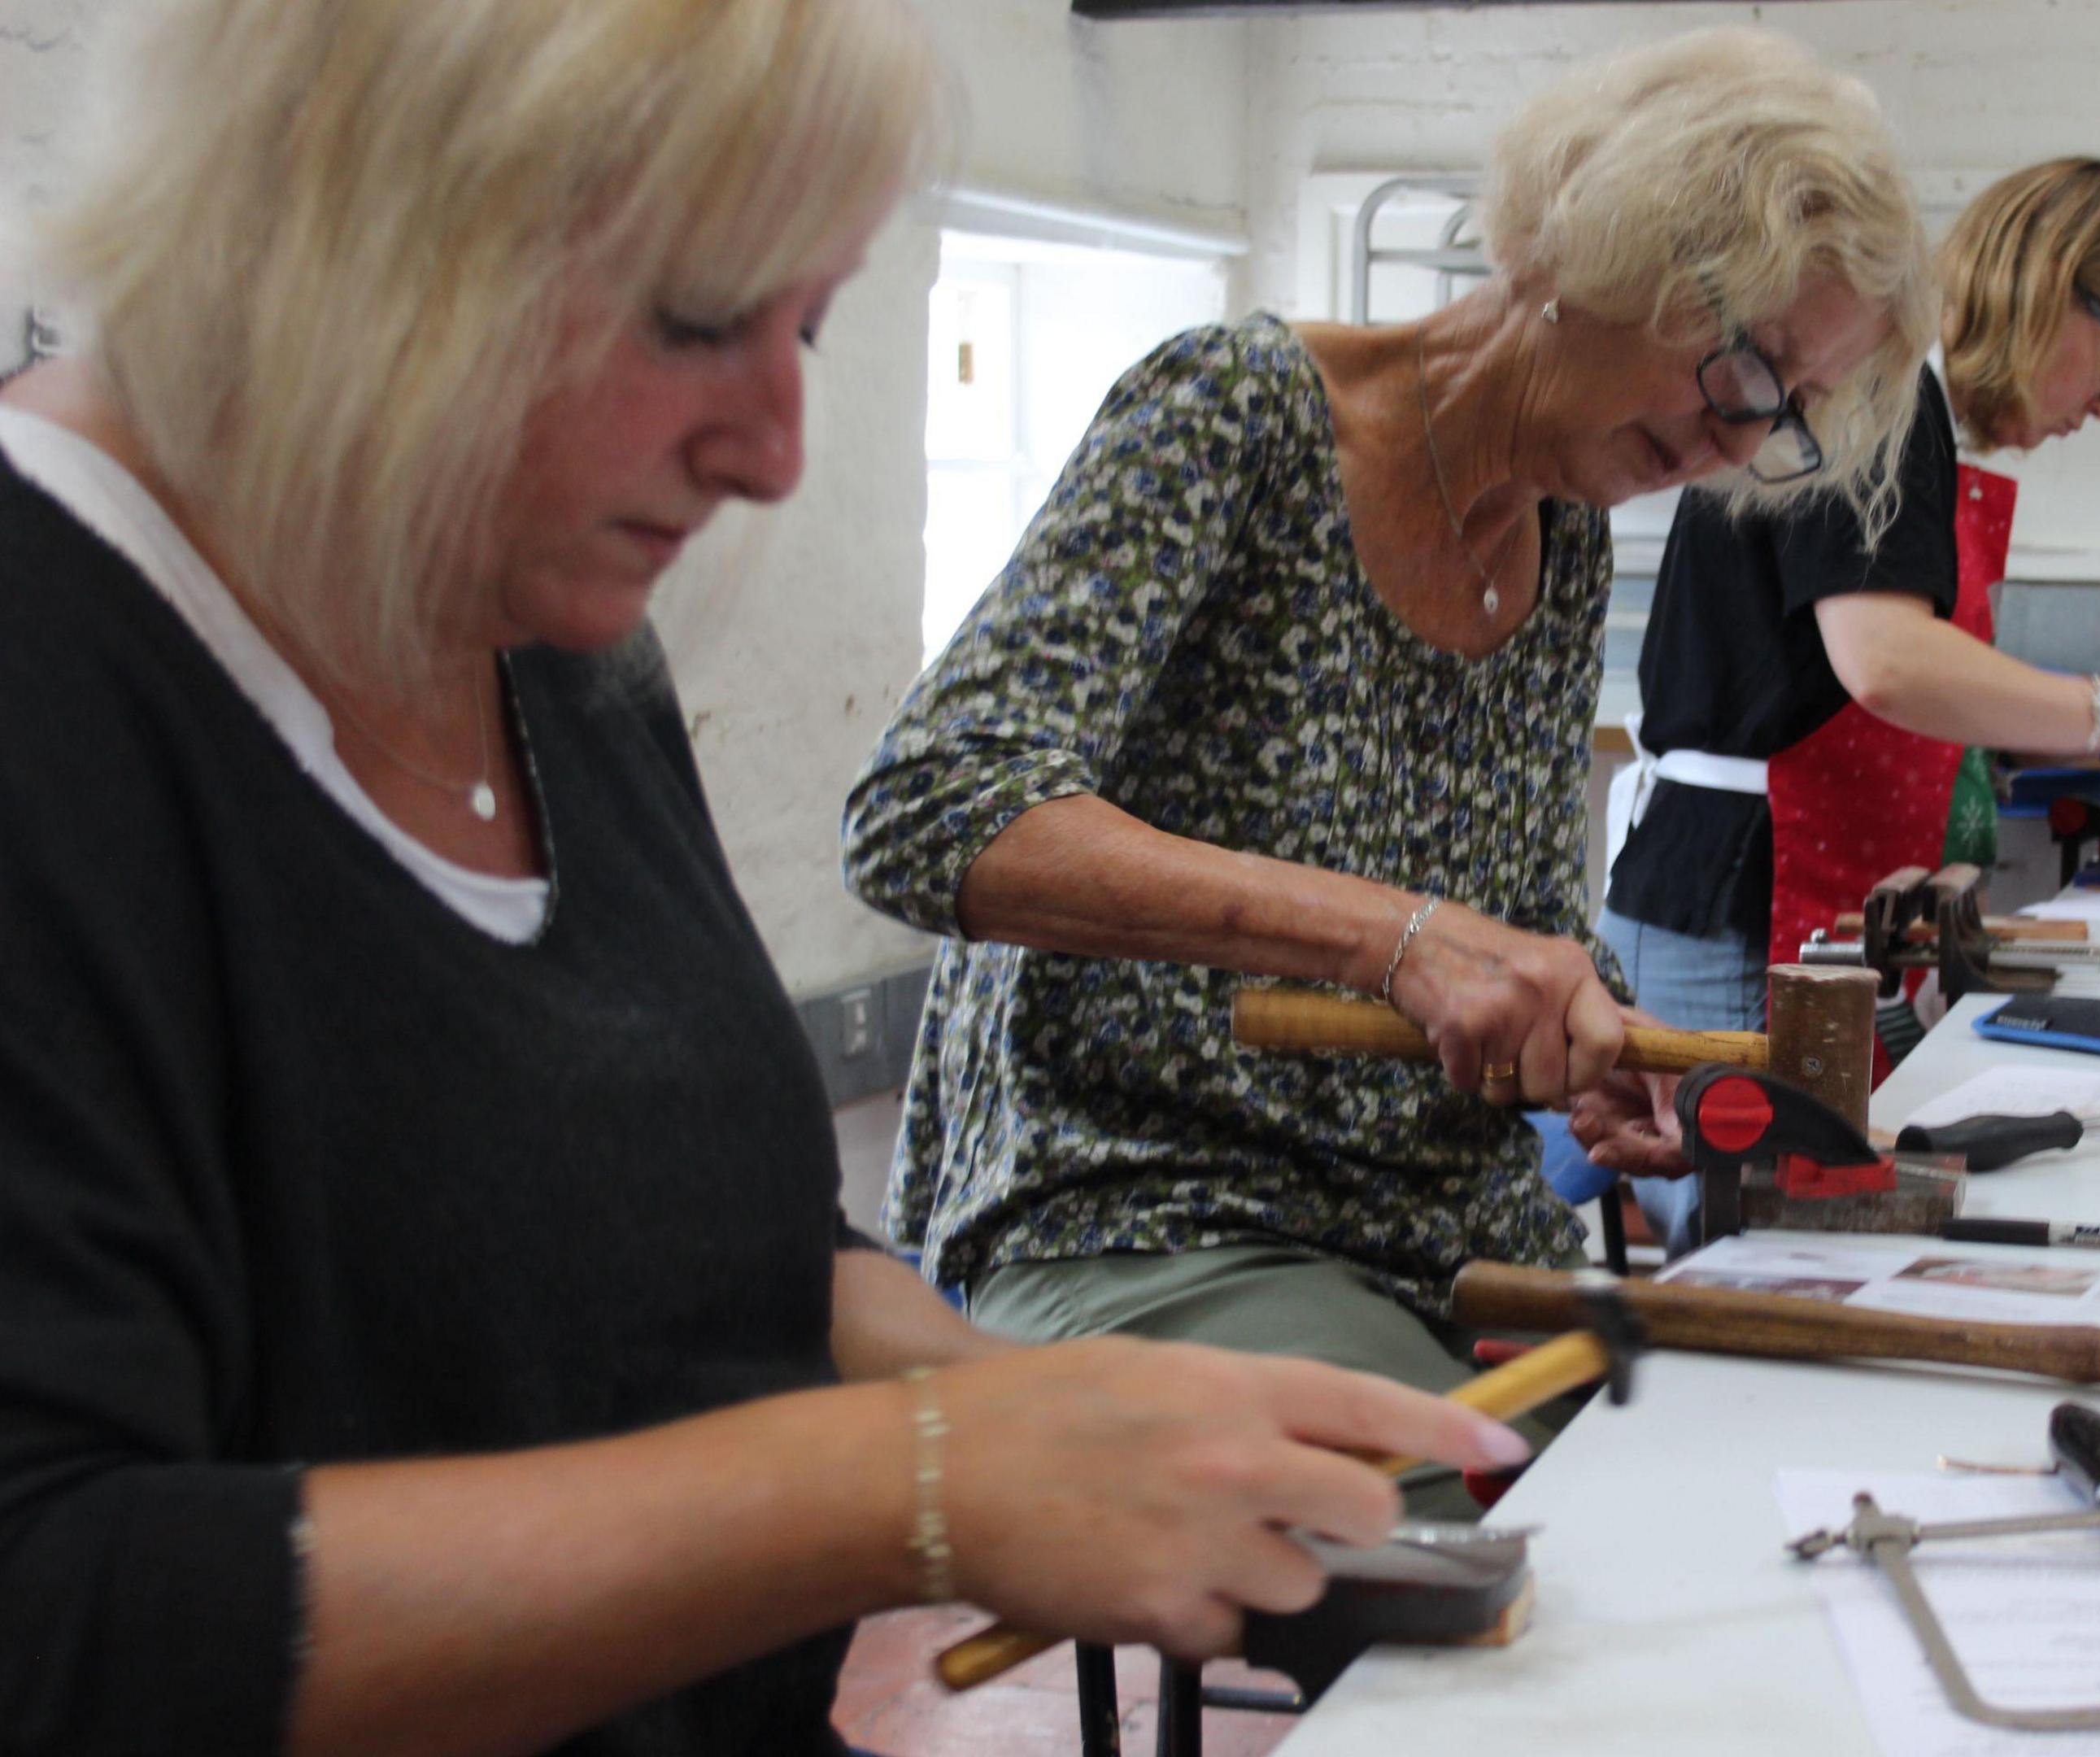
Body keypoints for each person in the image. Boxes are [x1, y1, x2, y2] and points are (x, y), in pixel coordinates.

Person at [0, 4, 1527, 1753]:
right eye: (700, 320)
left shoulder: (523, 616)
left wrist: (1043, 1412)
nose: (777, 452)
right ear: (356, 219)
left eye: (805, 326)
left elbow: (713, 1247)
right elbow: (59, 1606)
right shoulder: (59, 677)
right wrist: (907, 1485)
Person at [840, 27, 1933, 1506]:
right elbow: (925, 813)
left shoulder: (1563, 530)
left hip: (1433, 1225)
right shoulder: (1241, 417)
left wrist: (1570, 1054)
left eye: (1785, 414)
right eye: (1745, 364)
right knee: (1482, 1560)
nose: (1737, 437)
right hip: (1141, 1204)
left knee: (1734, 1512)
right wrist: (1401, 941)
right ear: (1598, 250)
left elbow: (1505, 918)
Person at [1597, 159, 2100, 1249]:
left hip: (1783, 890)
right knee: (1757, 1250)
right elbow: (1885, 661)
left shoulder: (1906, 409)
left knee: (1808, 1228)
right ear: (2050, 286)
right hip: (1740, 885)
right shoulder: (1876, 390)